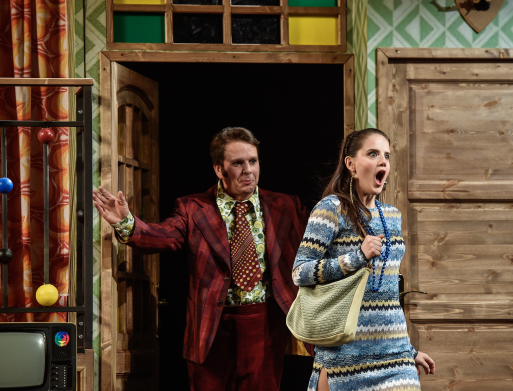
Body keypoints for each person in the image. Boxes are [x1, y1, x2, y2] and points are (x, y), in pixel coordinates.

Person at [93, 127, 311, 391]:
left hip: (264, 325)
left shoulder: (284, 205)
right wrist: (126, 223)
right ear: (219, 169)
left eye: (253, 161)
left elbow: (319, 241)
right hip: (212, 327)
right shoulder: (193, 207)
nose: (248, 170)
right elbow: (163, 236)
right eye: (238, 163)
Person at [292, 128, 436, 391]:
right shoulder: (331, 209)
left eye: (386, 156)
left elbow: (388, 294)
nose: (383, 162)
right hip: (344, 358)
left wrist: (408, 350)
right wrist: (357, 257)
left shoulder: (392, 215)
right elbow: (300, 272)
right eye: (372, 154)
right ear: (351, 164)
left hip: (395, 358)